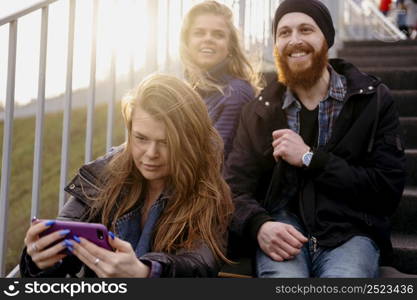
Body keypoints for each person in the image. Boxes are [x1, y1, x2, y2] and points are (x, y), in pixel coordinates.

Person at [225, 0, 406, 278]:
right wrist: (259, 225)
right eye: (284, 33)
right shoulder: (259, 110)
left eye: (306, 30)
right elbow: (234, 188)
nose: (294, 41)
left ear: (327, 39)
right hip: (282, 231)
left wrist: (310, 158)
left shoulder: (372, 101)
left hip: (350, 233)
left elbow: (386, 190)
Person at [20, 74, 234, 278]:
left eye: (166, 142)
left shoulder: (208, 192)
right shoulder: (103, 174)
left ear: (191, 141)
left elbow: (200, 266)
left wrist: (146, 273)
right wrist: (38, 260)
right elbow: (60, 247)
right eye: (141, 138)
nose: (151, 154)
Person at [180, 0, 261, 160]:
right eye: (199, 33)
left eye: (218, 34)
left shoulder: (236, 92)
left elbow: (212, 158)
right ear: (187, 41)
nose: (208, 39)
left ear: (230, 45)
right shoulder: (188, 93)